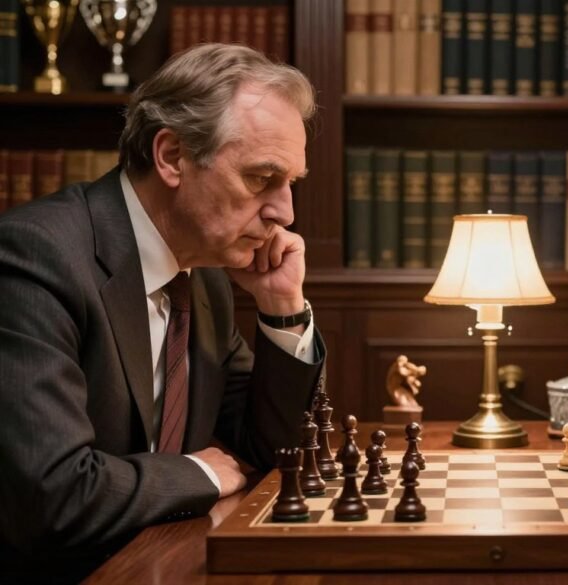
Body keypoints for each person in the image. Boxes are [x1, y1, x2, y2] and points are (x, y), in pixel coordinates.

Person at [0, 44, 326, 582]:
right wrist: (199, 472)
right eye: (261, 178)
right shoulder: (40, 256)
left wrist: (282, 308)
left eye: (292, 182)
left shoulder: (204, 277)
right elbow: (51, 496)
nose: (284, 212)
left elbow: (271, 449)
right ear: (173, 156)